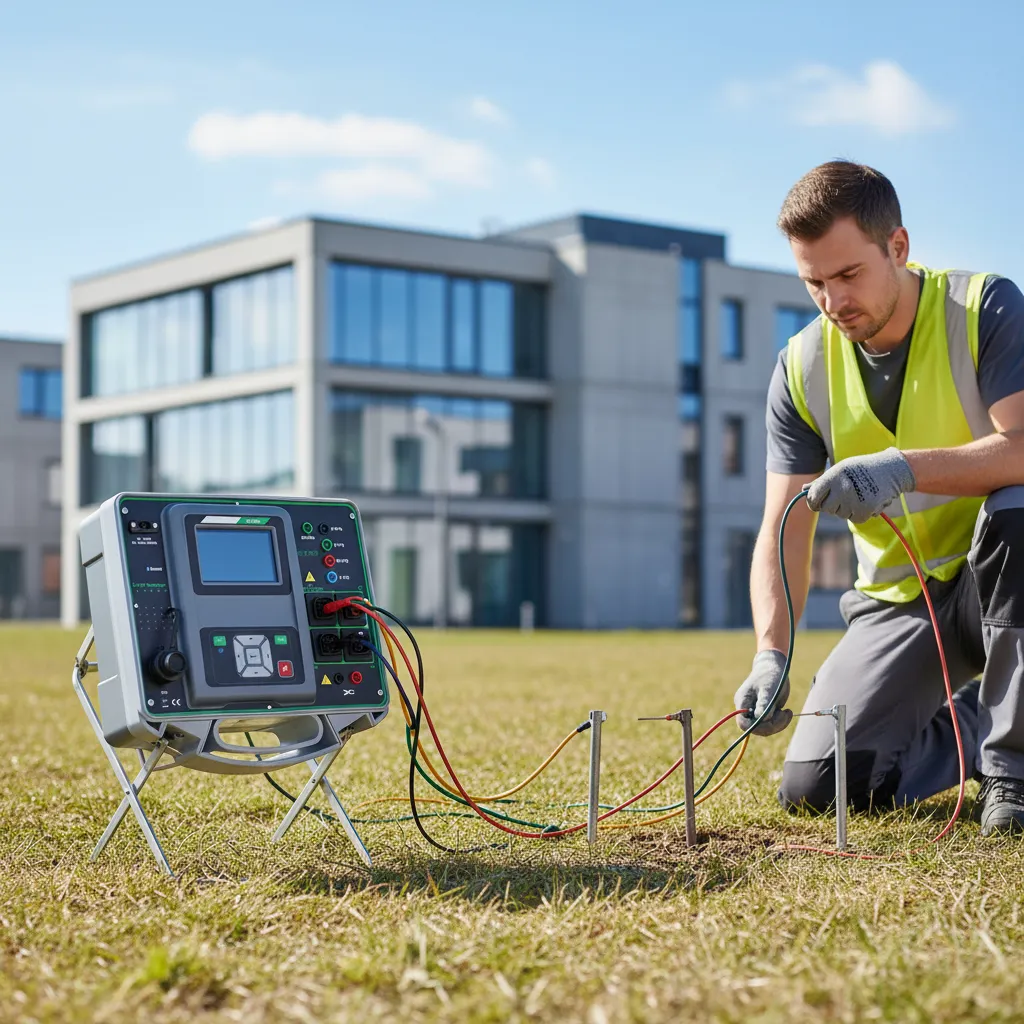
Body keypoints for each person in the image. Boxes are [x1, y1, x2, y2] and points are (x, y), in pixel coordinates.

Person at [735, 160, 1024, 835]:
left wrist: (902, 468)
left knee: (1019, 510)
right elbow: (783, 527)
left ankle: (1013, 774)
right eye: (814, 283)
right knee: (820, 784)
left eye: (847, 276)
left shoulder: (986, 308)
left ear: (898, 247)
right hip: (903, 602)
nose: (833, 303)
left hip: (1002, 576)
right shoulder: (801, 368)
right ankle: (989, 718)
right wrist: (770, 655)